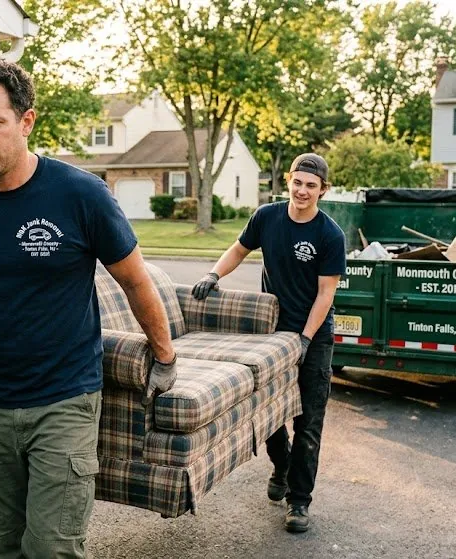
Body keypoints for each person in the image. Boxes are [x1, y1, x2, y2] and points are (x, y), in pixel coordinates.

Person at [0, 57, 178, 559]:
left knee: (52, 548)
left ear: (26, 121)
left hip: (65, 399)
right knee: (4, 541)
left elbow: (134, 280)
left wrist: (164, 356)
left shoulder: (80, 195)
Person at [191, 153, 345, 533]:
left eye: (312, 185)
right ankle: (282, 466)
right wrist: (213, 275)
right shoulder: (267, 217)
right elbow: (239, 250)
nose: (303, 190)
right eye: (298, 182)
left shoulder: (329, 235)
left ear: (322, 190)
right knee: (270, 412)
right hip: (272, 333)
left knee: (308, 422)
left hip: (313, 335)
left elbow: (325, 295)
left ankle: (299, 502)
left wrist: (306, 339)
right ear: (288, 182)